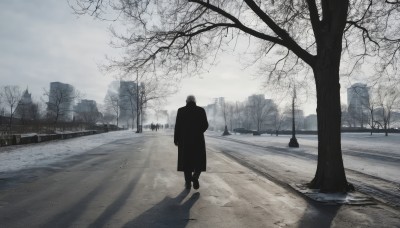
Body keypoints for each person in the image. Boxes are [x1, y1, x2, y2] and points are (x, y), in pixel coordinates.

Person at [174, 95, 208, 190]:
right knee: (199, 160)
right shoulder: (201, 110)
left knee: (186, 162)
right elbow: (205, 125)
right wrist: (198, 131)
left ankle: (188, 183)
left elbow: (178, 126)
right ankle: (195, 177)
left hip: (184, 140)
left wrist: (176, 139)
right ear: (195, 101)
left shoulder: (181, 111)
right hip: (198, 140)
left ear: (186, 101)